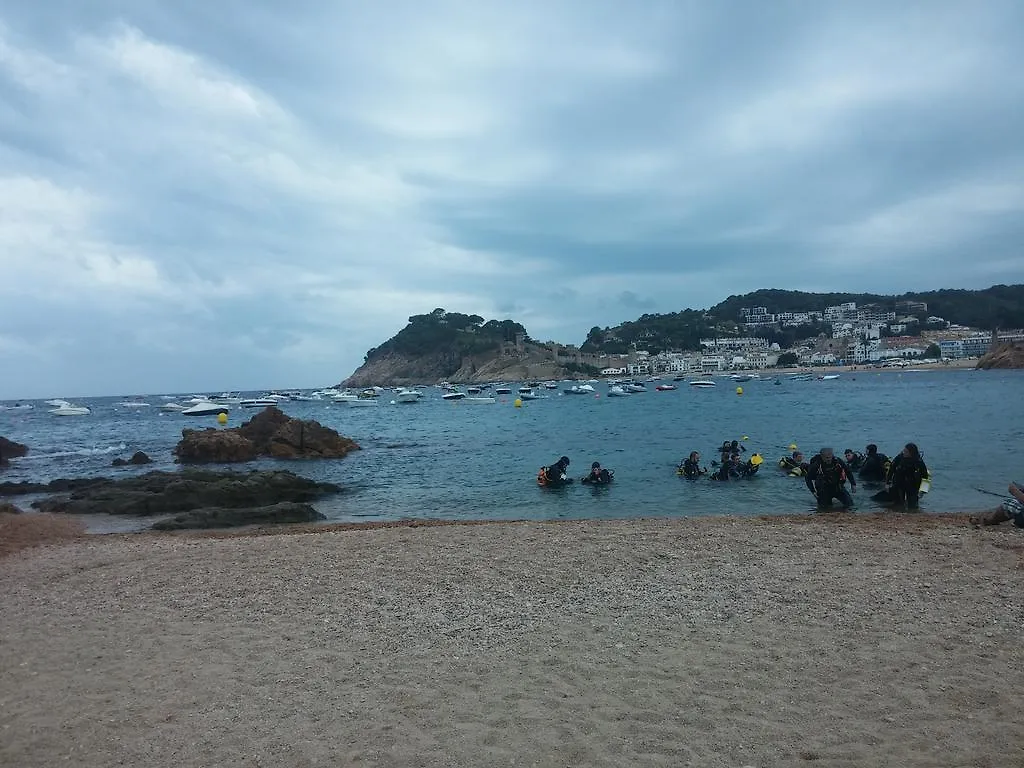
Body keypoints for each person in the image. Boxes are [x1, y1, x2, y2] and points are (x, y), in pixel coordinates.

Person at [884, 443, 929, 509]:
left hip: (913, 485)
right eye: (903, 451)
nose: (903, 453)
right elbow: (891, 470)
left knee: (912, 505)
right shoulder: (899, 458)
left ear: (911, 453)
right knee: (898, 503)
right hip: (899, 483)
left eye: (906, 452)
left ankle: (912, 513)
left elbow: (925, 477)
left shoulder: (918, 461)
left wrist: (923, 491)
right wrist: (887, 483)